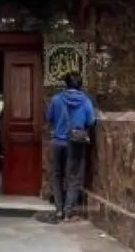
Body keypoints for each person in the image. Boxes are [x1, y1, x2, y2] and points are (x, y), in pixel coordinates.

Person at [45, 71, 96, 223]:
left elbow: (49, 118)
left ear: (66, 84)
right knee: (73, 177)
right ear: (80, 84)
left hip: (57, 142)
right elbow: (91, 121)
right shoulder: (86, 101)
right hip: (74, 143)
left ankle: (59, 210)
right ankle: (68, 212)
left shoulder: (56, 99)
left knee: (57, 175)